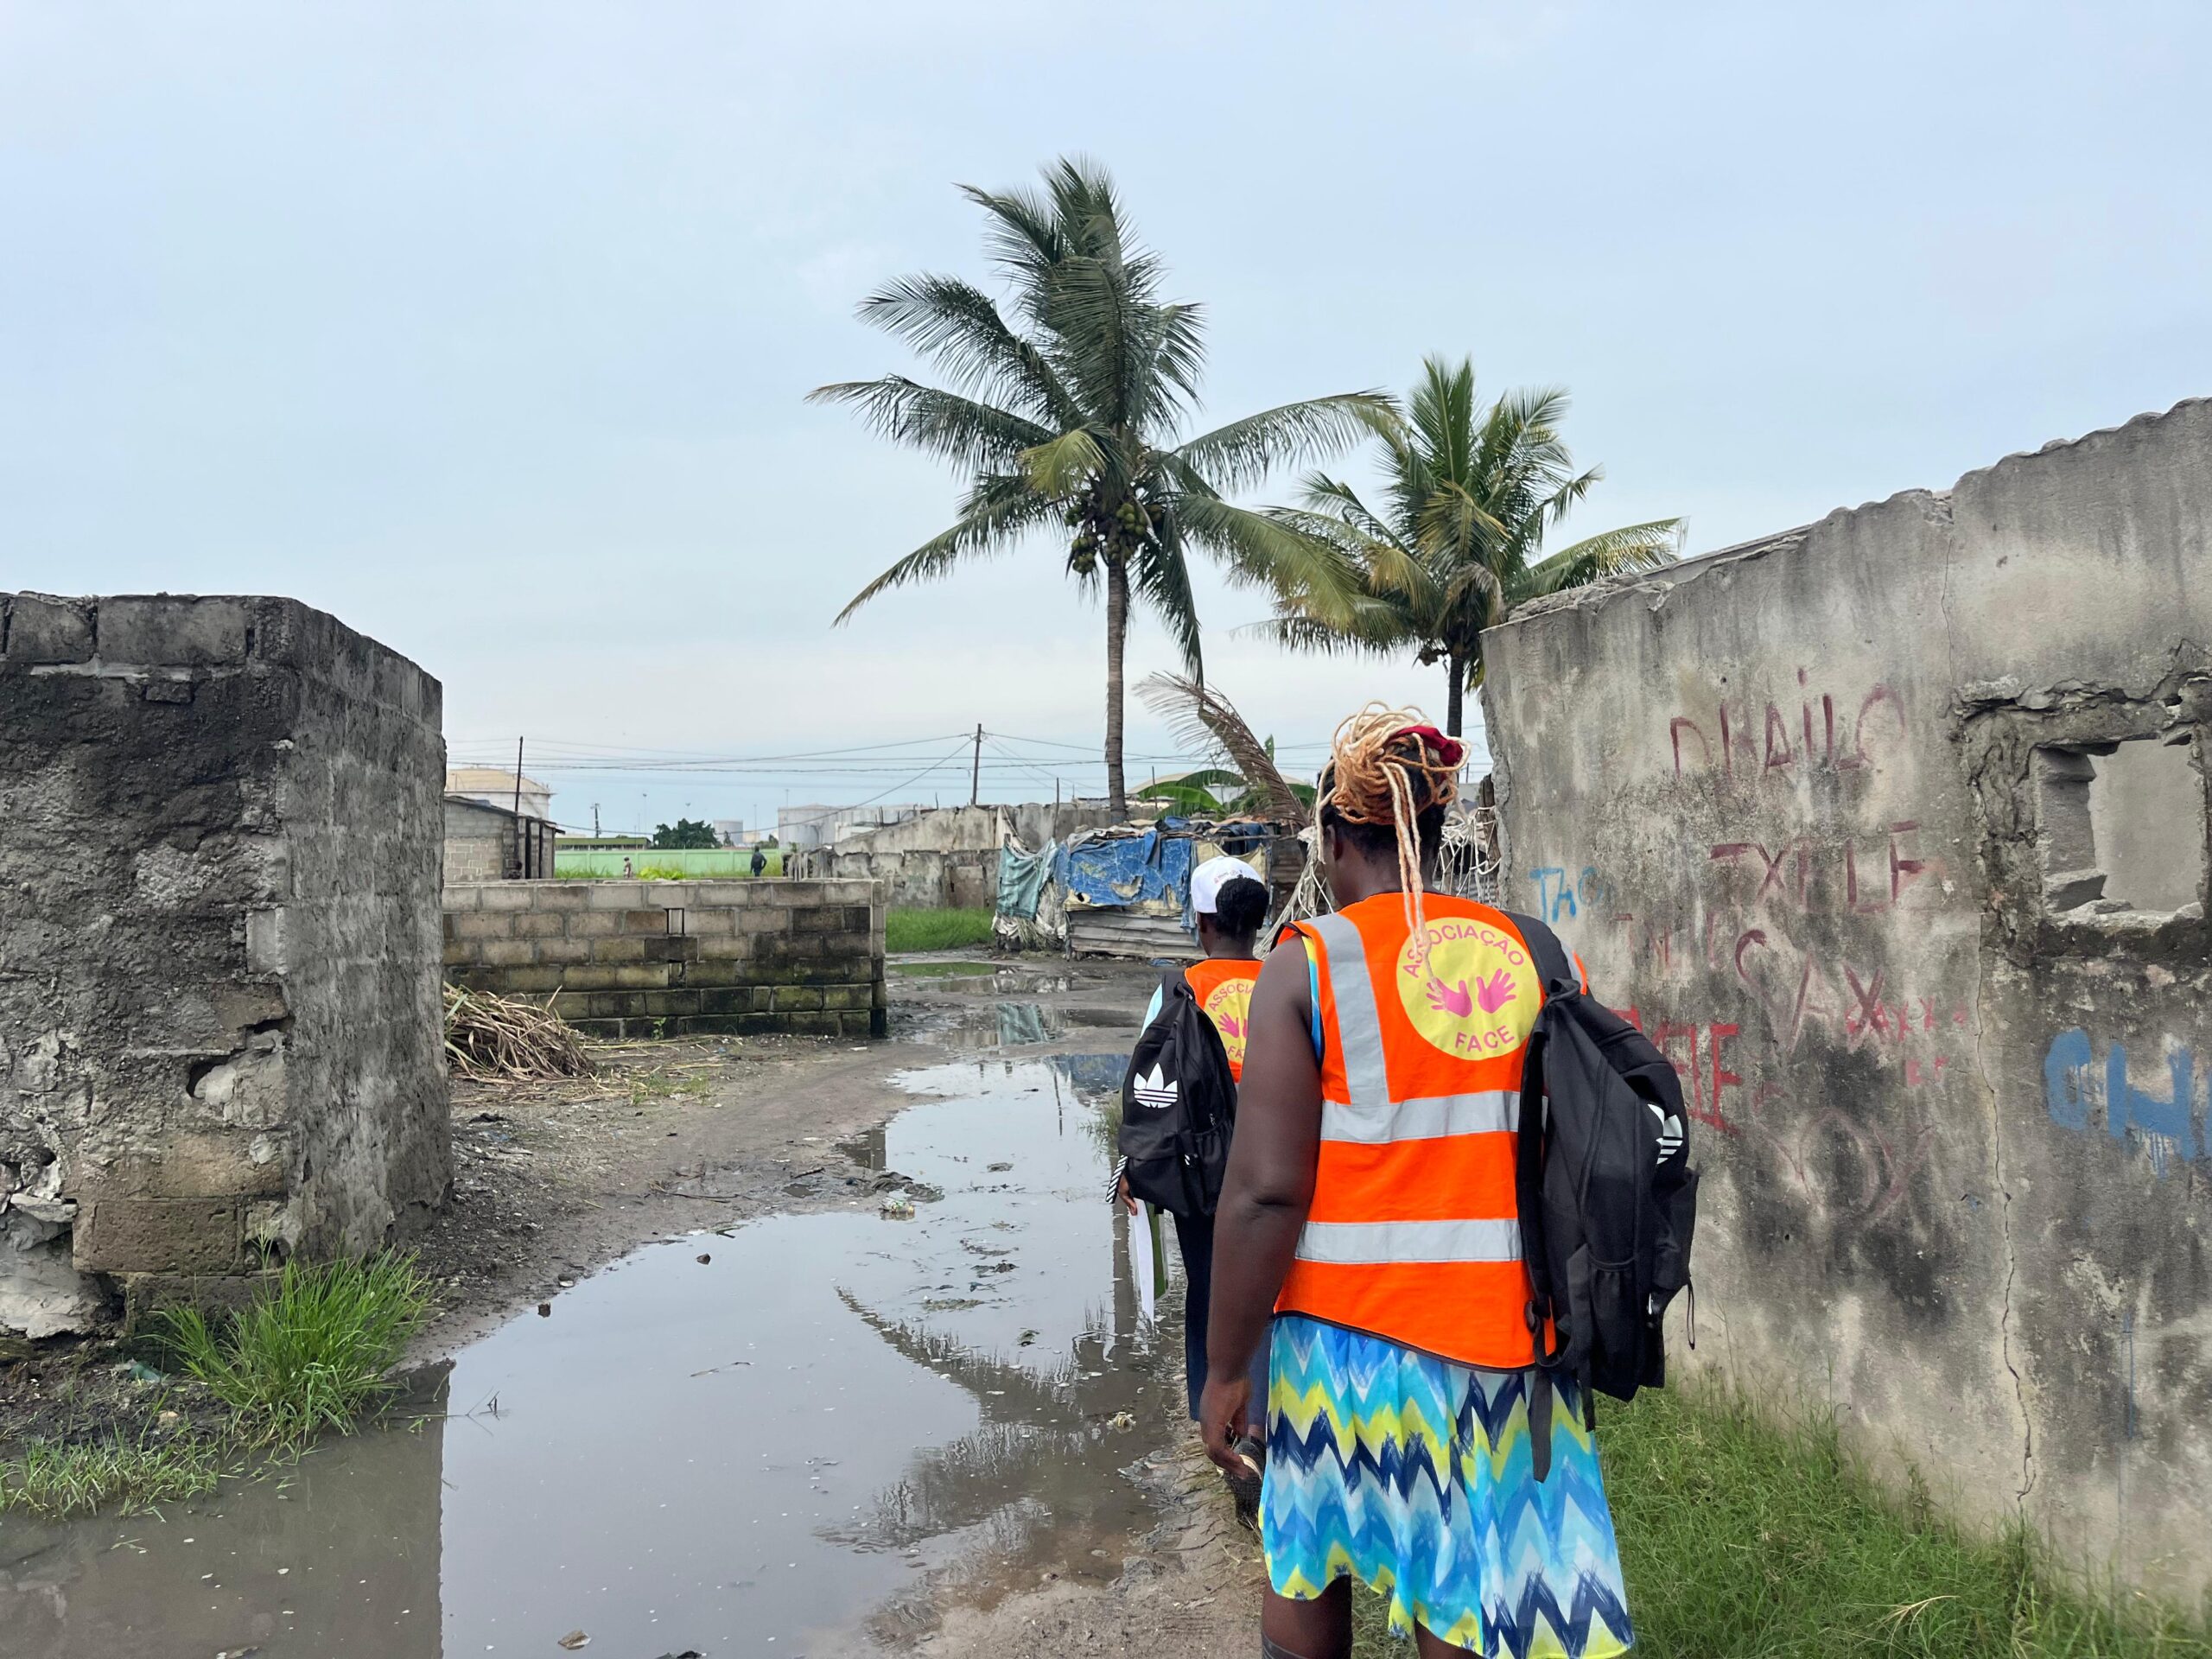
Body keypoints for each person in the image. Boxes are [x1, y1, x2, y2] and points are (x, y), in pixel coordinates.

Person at [1200, 708, 1631, 1659]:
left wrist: (1227, 1367)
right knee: (1469, 1589)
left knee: (1307, 1560)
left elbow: (1266, 1193)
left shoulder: (1307, 964)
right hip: (1507, 1339)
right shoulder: (1537, 951)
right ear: (1433, 832)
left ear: (1332, 838)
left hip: (1341, 1347)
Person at [1118, 854, 1276, 1440]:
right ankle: (1267, 1421)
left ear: (1202, 923)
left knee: (1212, 1289)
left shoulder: (1179, 990)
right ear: (1255, 922)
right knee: (1277, 1292)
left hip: (1204, 1172)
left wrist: (1134, 1167)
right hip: (1280, 1163)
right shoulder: (1288, 980)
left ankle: (1223, 1423)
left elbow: (1151, 1091)